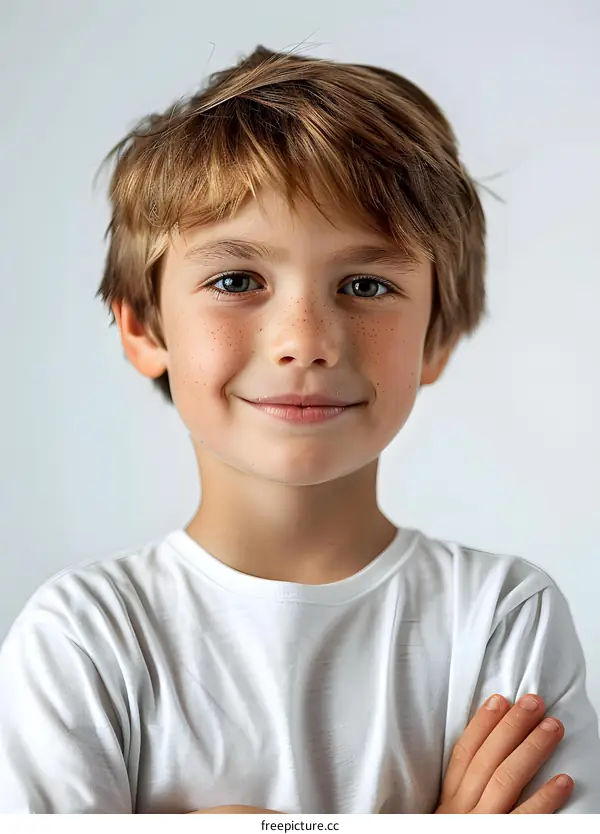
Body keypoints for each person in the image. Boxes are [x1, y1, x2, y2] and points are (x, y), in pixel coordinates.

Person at [0, 45, 599, 814]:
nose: (306, 339)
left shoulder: (501, 616)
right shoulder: (84, 638)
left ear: (437, 339)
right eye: (236, 281)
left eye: (366, 285)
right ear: (145, 326)